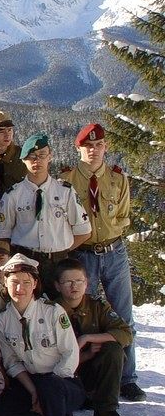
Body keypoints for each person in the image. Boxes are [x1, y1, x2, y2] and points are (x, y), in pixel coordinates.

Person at [60, 122, 144, 401]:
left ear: (105, 147)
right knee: (87, 318)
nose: (93, 150)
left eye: (98, 145)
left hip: (114, 251)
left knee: (124, 315)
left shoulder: (118, 179)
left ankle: (128, 378)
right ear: (79, 148)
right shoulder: (67, 181)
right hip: (83, 255)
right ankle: (91, 379)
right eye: (88, 146)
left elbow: (123, 215)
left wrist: (108, 232)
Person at [0, 253, 83, 416]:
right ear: (5, 283)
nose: (19, 288)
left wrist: (47, 390)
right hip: (30, 382)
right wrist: (34, 391)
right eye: (14, 282)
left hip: (61, 381)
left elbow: (70, 353)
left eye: (26, 282)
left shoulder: (52, 311)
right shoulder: (2, 320)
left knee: (50, 388)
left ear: (34, 284)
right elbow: (12, 361)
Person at [0, 132, 92, 291]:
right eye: (31, 156)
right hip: (25, 262)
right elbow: (2, 234)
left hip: (59, 263)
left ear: (50, 157)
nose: (37, 160)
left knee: (59, 303)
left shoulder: (65, 192)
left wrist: (62, 249)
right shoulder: (13, 195)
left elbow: (84, 231)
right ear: (23, 160)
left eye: (42, 155)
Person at [54, 259, 133, 416]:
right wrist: (84, 354)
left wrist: (88, 337)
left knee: (113, 349)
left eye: (79, 281)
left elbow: (126, 333)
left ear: (86, 283)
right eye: (68, 282)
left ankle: (105, 412)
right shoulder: (49, 310)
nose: (74, 286)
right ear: (57, 286)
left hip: (91, 374)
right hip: (63, 375)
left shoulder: (97, 306)